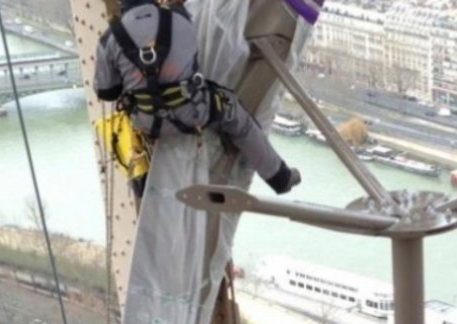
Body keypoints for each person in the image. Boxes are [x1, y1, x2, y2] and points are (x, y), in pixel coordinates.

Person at [93, 0, 301, 196]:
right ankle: (280, 178)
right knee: (237, 118)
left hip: (148, 123)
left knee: (129, 131)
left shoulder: (109, 39)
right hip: (192, 112)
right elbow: (192, 60)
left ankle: (144, 183)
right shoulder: (178, 19)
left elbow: (107, 92)